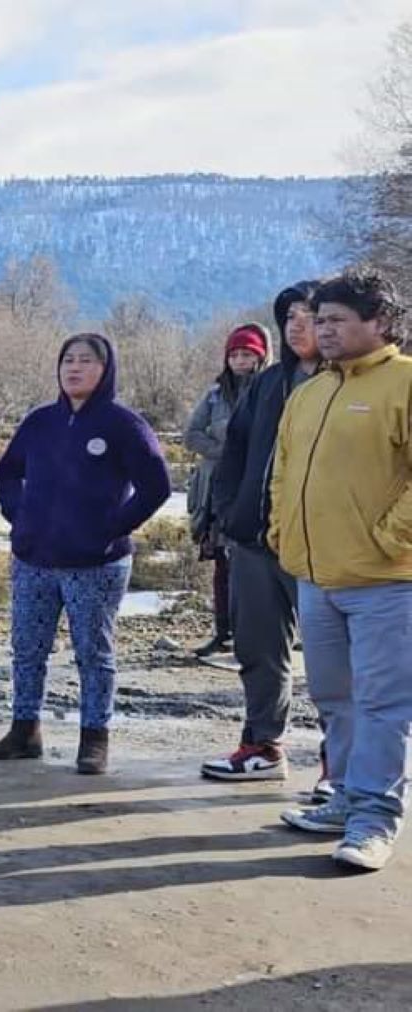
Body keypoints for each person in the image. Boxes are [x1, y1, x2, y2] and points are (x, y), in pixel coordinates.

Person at [271, 270, 412, 872]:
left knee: (385, 704)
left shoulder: (404, 382)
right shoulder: (309, 392)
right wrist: (281, 530)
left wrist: (390, 538)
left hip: (387, 581)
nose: (320, 329)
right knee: (335, 697)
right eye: (318, 318)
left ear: (379, 322)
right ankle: (347, 798)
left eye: (334, 319)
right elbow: (282, 473)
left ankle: (375, 820)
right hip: (316, 576)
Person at [0, 333, 170, 774]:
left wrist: (112, 527)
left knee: (93, 653)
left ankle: (94, 739)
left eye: (86, 361)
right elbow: (8, 471)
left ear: (105, 371)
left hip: (96, 563)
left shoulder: (123, 424)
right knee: (28, 648)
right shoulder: (40, 422)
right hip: (34, 558)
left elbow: (156, 486)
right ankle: (24, 731)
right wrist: (18, 515)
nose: (74, 368)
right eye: (68, 359)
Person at [202, 283, 322, 784]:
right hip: (254, 540)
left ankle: (339, 764)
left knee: (333, 660)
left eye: (310, 314)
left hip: (323, 545)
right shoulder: (269, 382)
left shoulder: (346, 383)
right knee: (258, 647)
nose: (297, 324)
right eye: (289, 315)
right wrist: (229, 512)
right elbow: (234, 451)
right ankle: (263, 746)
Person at [184, 323, 268, 658]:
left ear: (259, 357)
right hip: (216, 492)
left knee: (259, 566)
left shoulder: (270, 391)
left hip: (257, 490)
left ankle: (264, 634)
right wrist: (227, 454)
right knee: (222, 564)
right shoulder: (214, 395)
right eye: (234, 354)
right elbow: (192, 434)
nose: (240, 360)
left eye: (247, 354)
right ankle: (223, 632)